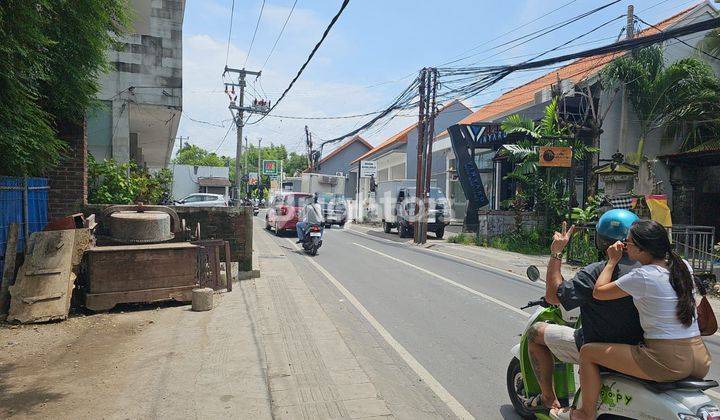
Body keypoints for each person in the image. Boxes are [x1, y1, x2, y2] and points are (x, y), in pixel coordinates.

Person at [553, 220, 711, 420]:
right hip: (699, 358)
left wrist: (612, 261)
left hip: (667, 359)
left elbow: (599, 292)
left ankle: (585, 413)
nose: (624, 246)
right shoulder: (683, 266)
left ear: (642, 249)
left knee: (587, 352)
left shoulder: (644, 275)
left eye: (628, 243)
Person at [526, 210, 643, 411]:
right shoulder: (654, 271)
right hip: (640, 350)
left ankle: (548, 398)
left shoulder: (597, 271)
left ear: (601, 240)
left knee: (535, 333)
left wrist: (557, 252)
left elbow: (554, 296)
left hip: (598, 348)